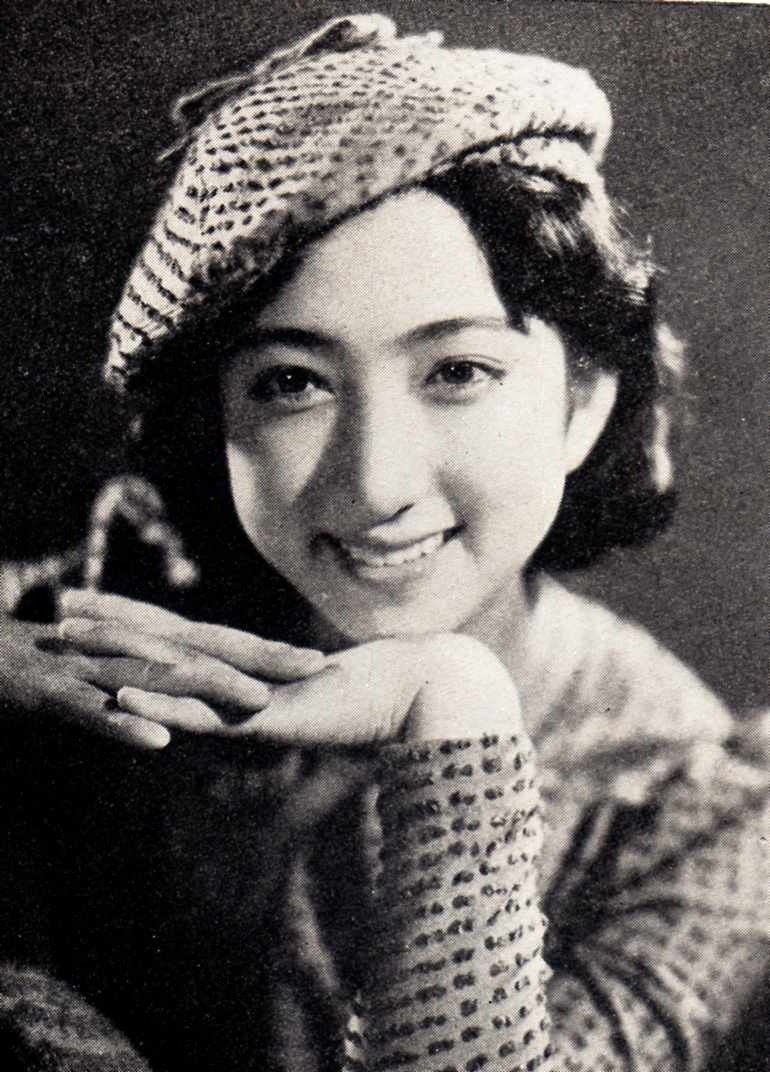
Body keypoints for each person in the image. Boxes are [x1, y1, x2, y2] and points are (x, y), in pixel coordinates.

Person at [0, 13, 767, 1072]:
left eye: (456, 372)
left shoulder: (705, 818)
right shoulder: (109, 614)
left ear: (583, 401)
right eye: (292, 383)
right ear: (218, 419)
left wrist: (452, 710)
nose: (374, 484)